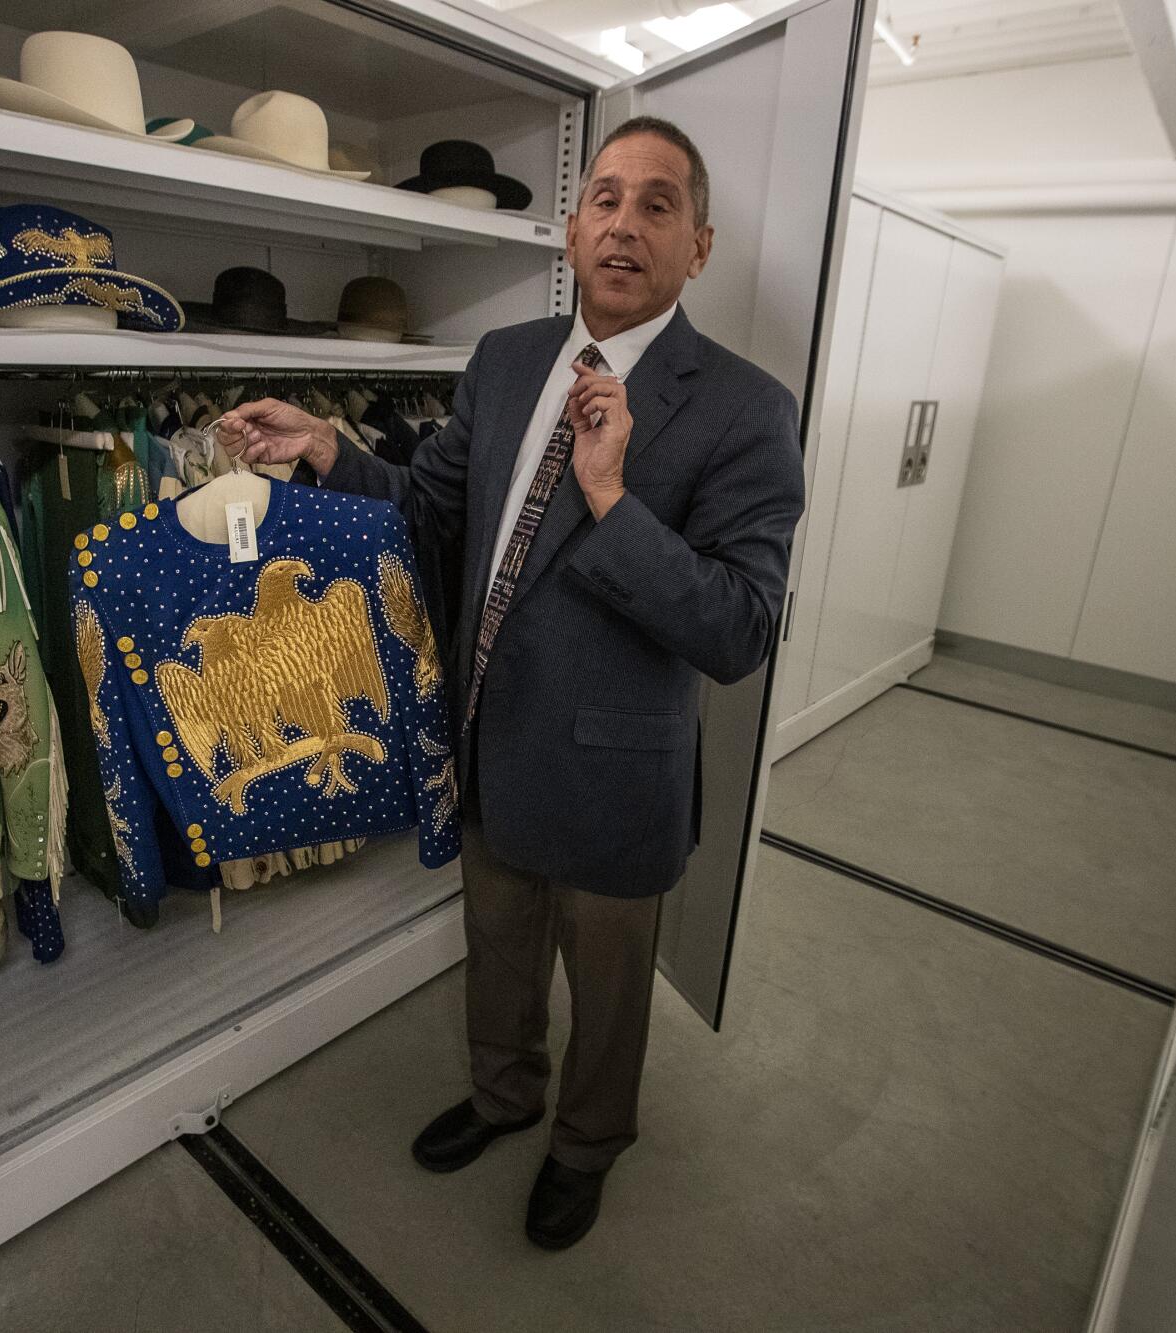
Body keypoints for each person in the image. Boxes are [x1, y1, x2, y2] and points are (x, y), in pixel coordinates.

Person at [217, 116, 806, 1250]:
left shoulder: (743, 408)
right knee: (495, 951)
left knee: (606, 991)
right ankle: (501, 1096)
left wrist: (610, 501)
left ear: (700, 244)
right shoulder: (504, 361)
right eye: (603, 198)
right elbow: (432, 508)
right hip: (487, 737)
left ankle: (585, 1145)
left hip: (615, 775)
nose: (622, 223)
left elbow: (737, 628)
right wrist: (330, 448)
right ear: (574, 226)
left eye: (656, 203)